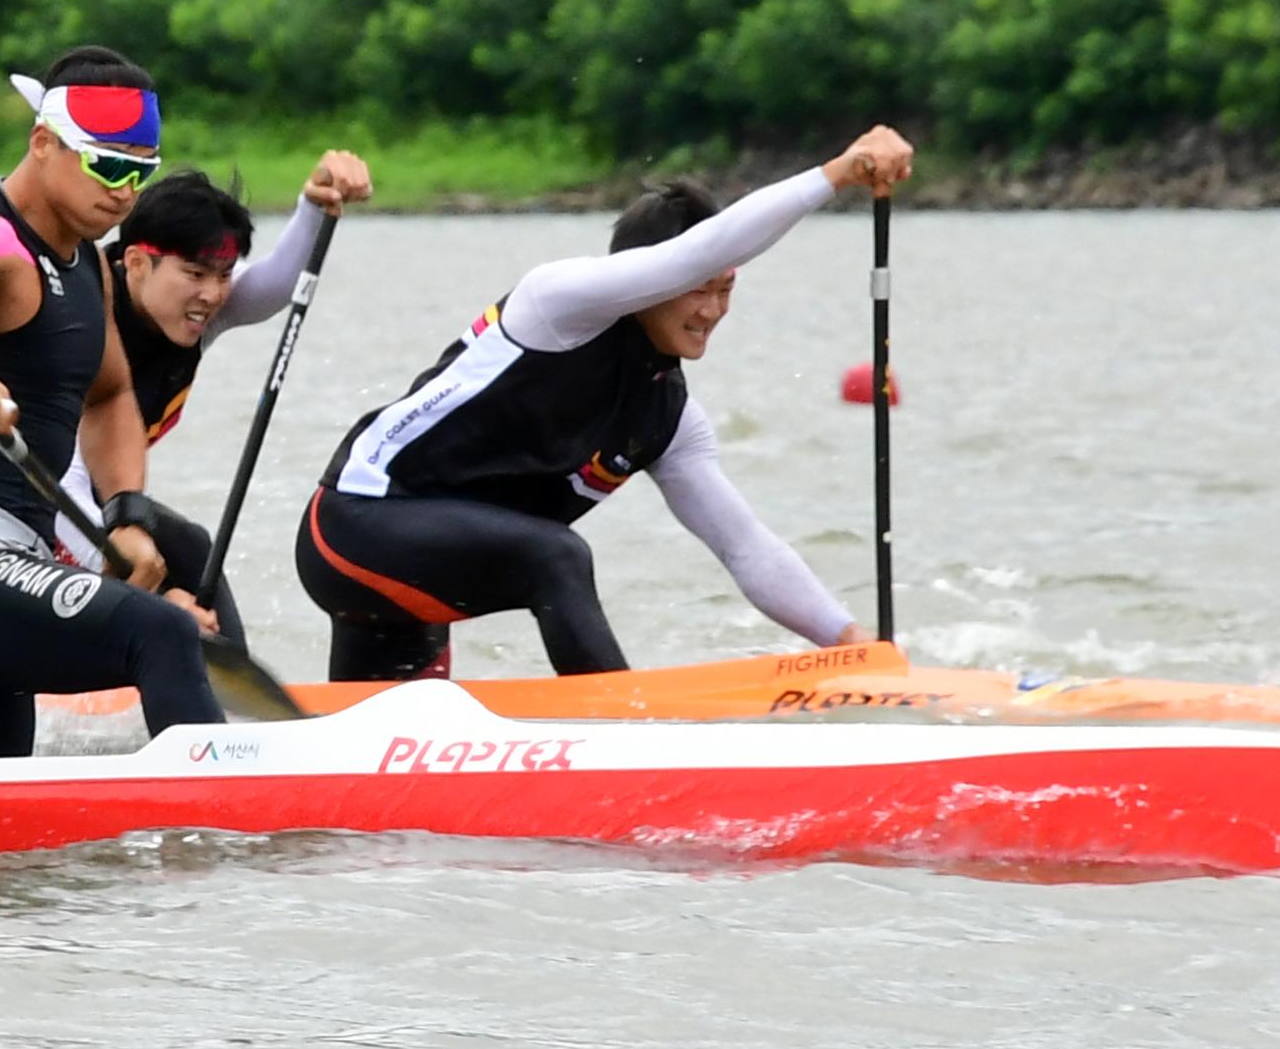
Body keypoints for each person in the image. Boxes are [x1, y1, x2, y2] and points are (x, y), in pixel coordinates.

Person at [294, 127, 916, 683]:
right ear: (649, 280)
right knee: (557, 555)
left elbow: (744, 547)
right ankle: (623, 729)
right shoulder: (559, 304)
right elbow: (691, 253)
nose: (712, 311)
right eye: (698, 290)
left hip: (413, 579)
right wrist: (837, 173)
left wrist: (851, 643)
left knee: (385, 758)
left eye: (726, 290)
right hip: (352, 528)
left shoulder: (670, 419)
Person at [0, 49, 228, 759]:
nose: (123, 192)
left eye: (139, 173)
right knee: (163, 628)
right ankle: (226, 840)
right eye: (107, 166)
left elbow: (112, 393)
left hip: (8, 585)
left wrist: (129, 518)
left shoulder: (89, 263)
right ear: (43, 144)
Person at [52, 153, 373, 645]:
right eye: (197, 274)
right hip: (30, 503)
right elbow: (62, 478)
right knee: (162, 570)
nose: (213, 294)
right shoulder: (81, 318)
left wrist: (314, 203)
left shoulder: (189, 311)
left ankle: (232, 697)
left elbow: (273, 286)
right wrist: (152, 600)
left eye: (223, 275)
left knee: (191, 545)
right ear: (136, 262)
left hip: (94, 502)